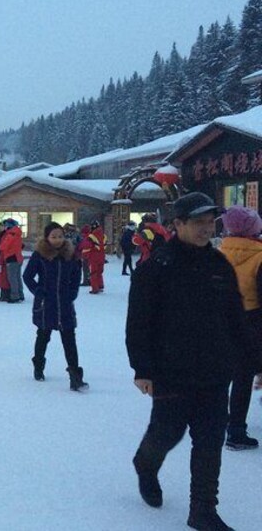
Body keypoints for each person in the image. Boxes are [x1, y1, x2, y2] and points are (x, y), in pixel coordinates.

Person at [126, 192, 262, 531]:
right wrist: (142, 369)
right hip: (171, 371)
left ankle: (203, 510)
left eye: (209, 222)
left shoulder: (219, 265)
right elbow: (139, 322)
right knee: (167, 432)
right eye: (198, 222)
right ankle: (146, 464)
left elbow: (236, 320)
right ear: (178, 224)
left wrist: (256, 361)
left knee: (210, 440)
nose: (206, 229)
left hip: (216, 372)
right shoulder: (157, 267)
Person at [217, 205, 262, 451]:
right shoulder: (259, 256)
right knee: (243, 378)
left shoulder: (218, 253)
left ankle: (218, 420)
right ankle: (236, 431)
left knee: (223, 375)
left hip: (221, 322)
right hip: (250, 322)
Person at [23, 222, 87, 390]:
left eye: (60, 236)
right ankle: (38, 365)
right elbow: (28, 276)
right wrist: (38, 291)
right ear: (47, 238)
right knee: (43, 336)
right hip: (46, 304)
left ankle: (75, 376)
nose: (57, 240)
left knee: (69, 339)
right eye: (53, 236)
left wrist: (72, 293)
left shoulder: (70, 255)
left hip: (65, 304)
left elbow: (75, 275)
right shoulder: (40, 255)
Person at [0, 219, 24, 303]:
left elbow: (2, 247)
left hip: (11, 258)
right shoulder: (17, 233)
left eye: (5, 225)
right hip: (18, 257)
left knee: (12, 278)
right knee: (17, 277)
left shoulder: (10, 234)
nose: (4, 227)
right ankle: (20, 294)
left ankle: (14, 296)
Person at [81, 221, 106, 294]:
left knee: (93, 273)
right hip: (102, 256)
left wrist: (84, 255)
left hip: (93, 257)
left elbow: (87, 247)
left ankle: (95, 288)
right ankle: (100, 285)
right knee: (99, 272)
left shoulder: (91, 236)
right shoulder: (104, 235)